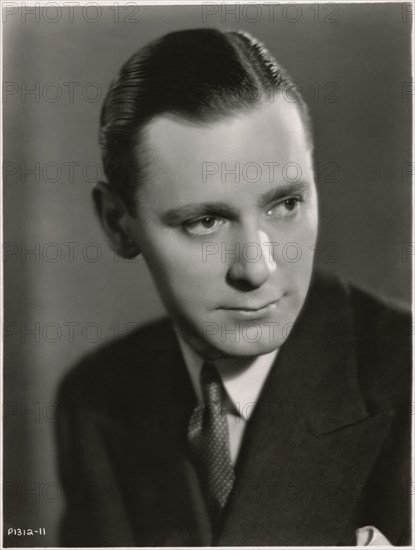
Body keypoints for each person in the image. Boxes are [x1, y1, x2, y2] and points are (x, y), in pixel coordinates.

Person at [56, 28, 411, 546]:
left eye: (285, 204)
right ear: (117, 223)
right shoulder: (95, 400)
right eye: (205, 222)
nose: (257, 268)